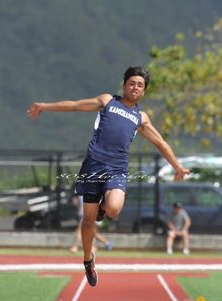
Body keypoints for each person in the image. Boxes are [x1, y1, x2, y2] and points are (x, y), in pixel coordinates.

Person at [27, 66, 190, 287]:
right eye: (131, 83)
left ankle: (104, 207)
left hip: (117, 168)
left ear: (143, 91)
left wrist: (178, 167)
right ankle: (88, 259)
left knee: (113, 209)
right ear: (124, 84)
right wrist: (44, 107)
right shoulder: (107, 101)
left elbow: (161, 142)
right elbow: (74, 106)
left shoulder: (140, 117)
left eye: (140, 85)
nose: (135, 87)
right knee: (87, 221)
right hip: (93, 166)